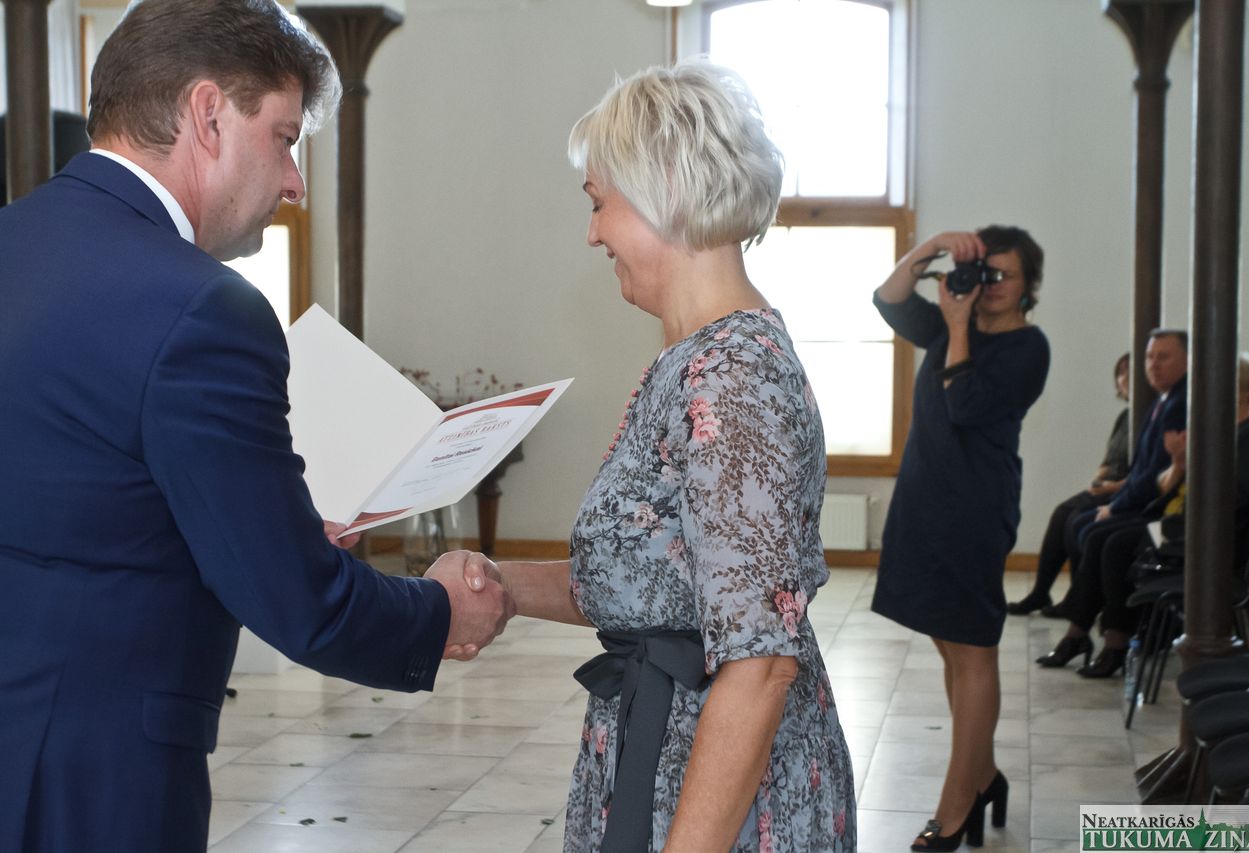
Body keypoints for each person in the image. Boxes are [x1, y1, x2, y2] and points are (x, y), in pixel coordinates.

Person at [0, 3, 512, 851]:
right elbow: (303, 604)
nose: (295, 182)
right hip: (96, 778)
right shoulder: (202, 308)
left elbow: (77, 502)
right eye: (284, 137)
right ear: (208, 115)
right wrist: (437, 612)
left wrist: (257, 526)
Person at [475, 60, 856, 852]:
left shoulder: (732, 377)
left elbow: (760, 664)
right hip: (665, 755)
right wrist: (501, 586)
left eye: (598, 202)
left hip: (722, 800)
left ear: (668, 190)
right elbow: (659, 582)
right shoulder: (693, 362)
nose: (592, 233)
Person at [872, 228, 1050, 851]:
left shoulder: (1028, 347)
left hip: (975, 510)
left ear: (1029, 285)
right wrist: (930, 248)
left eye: (1004, 276)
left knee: (974, 651)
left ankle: (956, 808)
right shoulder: (953, 323)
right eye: (984, 273)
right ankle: (985, 775)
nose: (991, 286)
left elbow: (966, 403)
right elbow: (889, 298)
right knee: (951, 646)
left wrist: (955, 325)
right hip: (923, 499)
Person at [1038, 353, 1249, 677]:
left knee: (1116, 545)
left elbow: (1231, 499)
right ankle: (1078, 635)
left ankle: (1115, 643)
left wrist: (1191, 462)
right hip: (1178, 521)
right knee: (1098, 536)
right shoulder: (1213, 431)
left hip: (1210, 537)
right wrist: (1179, 462)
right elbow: (1167, 483)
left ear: (1238, 390)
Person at [1035, 330, 1188, 669]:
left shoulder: (1180, 404)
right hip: (1148, 505)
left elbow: (1156, 478)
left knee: (1103, 538)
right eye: (1150, 357)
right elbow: (1143, 471)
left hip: (1168, 518)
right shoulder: (1162, 401)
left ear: (1187, 360)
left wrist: (1115, 506)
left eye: (1164, 357)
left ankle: (1103, 635)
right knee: (1083, 524)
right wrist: (1113, 502)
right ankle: (1087, 627)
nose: (1154, 365)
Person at [1008, 352, 1131, 615]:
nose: (1125, 378)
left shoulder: (1147, 415)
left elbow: (1142, 473)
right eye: (1121, 373)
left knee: (1076, 519)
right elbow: (1108, 460)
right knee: (1062, 513)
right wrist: (1099, 477)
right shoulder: (1125, 417)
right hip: (1107, 486)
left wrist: (1110, 487)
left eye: (1130, 372)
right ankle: (1040, 593)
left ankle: (1078, 598)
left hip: (1123, 491)